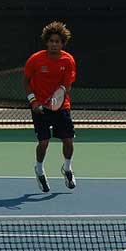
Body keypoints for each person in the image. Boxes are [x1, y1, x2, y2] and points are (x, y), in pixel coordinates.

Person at [22, 21, 77, 193]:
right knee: (43, 142)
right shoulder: (35, 59)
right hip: (39, 107)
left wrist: (57, 97)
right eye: (51, 41)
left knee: (68, 140)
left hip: (61, 106)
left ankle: (67, 169)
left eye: (58, 41)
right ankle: (39, 169)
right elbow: (25, 81)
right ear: (47, 42)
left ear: (62, 43)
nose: (54, 44)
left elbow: (67, 86)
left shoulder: (68, 60)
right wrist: (33, 101)